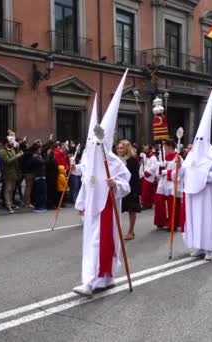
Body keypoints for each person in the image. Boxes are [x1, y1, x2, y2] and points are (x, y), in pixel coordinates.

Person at [73, 71, 131, 297]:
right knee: (92, 244)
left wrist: (115, 183)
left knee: (100, 244)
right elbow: (87, 178)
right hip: (91, 210)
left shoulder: (113, 161)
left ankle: (92, 280)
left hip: (107, 208)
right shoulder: (89, 158)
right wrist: (75, 170)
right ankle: (104, 278)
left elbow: (126, 183)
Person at [176, 85, 212, 261]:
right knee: (195, 220)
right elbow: (182, 173)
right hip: (192, 194)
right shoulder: (190, 156)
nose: (199, 142)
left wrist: (202, 175)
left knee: (207, 220)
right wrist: (178, 167)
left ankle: (210, 247)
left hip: (208, 194)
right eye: (197, 139)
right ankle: (198, 246)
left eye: (202, 140)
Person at [153, 139, 183, 231]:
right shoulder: (162, 157)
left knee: (172, 204)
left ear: (170, 146)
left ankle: (172, 224)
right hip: (162, 182)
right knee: (159, 201)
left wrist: (166, 172)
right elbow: (157, 171)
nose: (163, 148)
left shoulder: (178, 158)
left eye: (165, 146)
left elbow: (180, 172)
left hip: (172, 183)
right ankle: (161, 221)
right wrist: (159, 169)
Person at [117, 140, 141, 240]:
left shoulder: (132, 160)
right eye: (118, 148)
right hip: (119, 187)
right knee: (118, 209)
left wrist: (137, 191)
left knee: (132, 210)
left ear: (127, 149)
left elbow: (135, 177)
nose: (119, 150)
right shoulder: (117, 160)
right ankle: (116, 232)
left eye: (121, 148)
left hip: (131, 188)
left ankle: (131, 232)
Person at [0, 134, 23, 213]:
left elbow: (16, 159)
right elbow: (7, 161)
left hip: (14, 172)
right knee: (8, 189)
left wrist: (18, 150)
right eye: (10, 141)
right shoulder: (2, 151)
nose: (12, 143)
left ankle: (11, 203)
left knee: (12, 189)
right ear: (6, 143)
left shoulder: (12, 149)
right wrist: (17, 156)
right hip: (7, 173)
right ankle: (8, 205)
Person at [30, 144, 48, 212]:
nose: (41, 150)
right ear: (36, 150)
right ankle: (38, 207)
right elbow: (42, 162)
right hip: (39, 176)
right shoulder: (35, 157)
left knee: (43, 192)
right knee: (39, 192)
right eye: (39, 149)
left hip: (42, 176)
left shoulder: (39, 156)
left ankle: (42, 206)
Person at [139, 145, 158, 209]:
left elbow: (153, 167)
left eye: (146, 149)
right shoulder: (144, 156)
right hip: (143, 175)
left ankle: (146, 204)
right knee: (144, 191)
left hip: (149, 176)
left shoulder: (153, 158)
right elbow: (142, 164)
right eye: (144, 149)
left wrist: (147, 173)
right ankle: (147, 203)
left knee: (147, 191)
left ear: (150, 150)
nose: (144, 151)